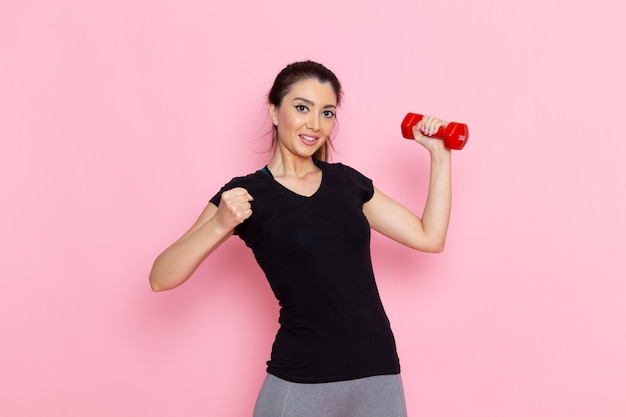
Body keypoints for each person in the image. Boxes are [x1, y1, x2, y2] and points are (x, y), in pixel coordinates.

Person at [149, 60, 452, 417]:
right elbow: (160, 278)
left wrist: (440, 156)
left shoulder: (348, 183)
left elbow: (429, 237)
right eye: (301, 108)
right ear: (274, 112)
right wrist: (218, 224)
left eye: (327, 112)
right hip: (302, 378)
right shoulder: (247, 193)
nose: (315, 124)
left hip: (378, 371)